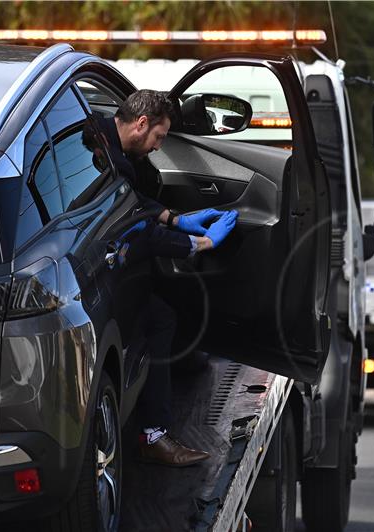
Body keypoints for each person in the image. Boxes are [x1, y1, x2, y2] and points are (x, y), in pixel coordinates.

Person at [93, 90, 237, 467]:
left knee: (160, 315)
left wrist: (173, 217)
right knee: (156, 317)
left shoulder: (101, 136)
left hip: (95, 266)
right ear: (141, 124)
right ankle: (152, 435)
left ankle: (152, 431)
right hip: (95, 273)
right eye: (159, 137)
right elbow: (137, 232)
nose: (158, 148)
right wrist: (200, 242)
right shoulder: (107, 160)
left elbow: (134, 201)